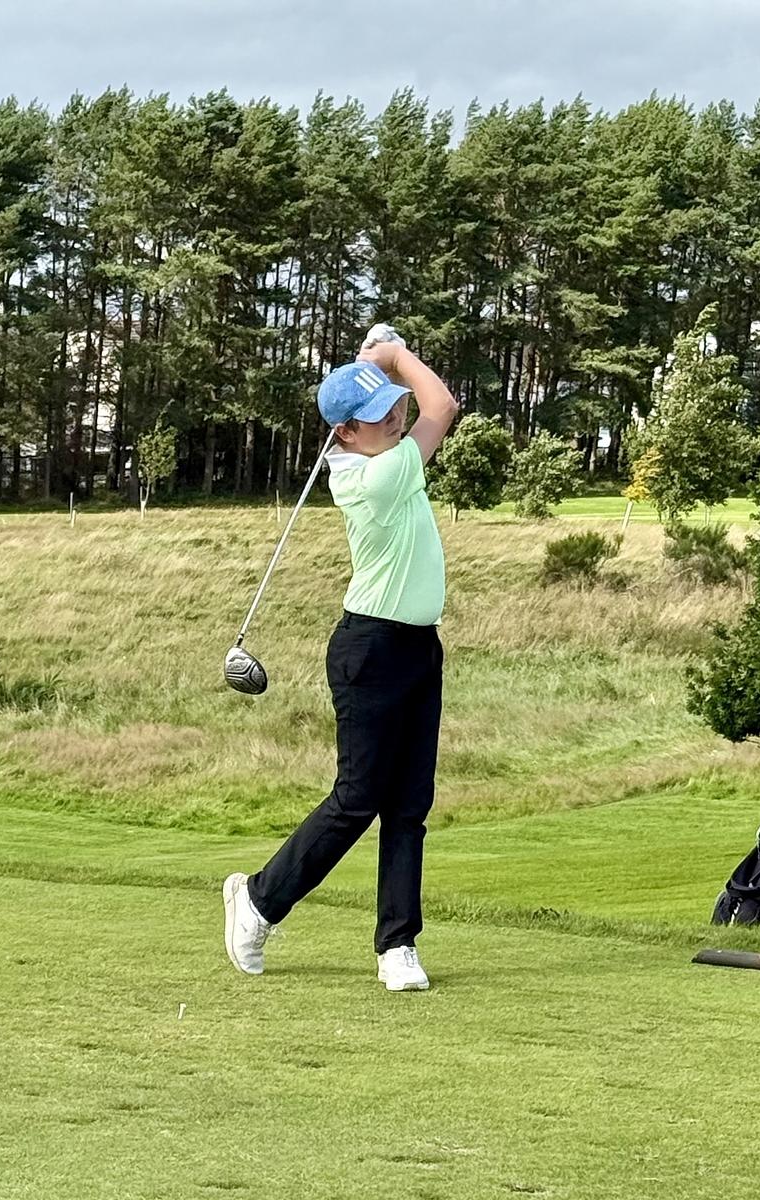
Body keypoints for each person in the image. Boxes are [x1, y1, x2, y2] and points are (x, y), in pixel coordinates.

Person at [223, 334, 458, 991]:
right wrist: (396, 352)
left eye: (393, 408)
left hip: (417, 646)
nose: (397, 416)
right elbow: (442, 404)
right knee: (359, 798)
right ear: (345, 435)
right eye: (381, 413)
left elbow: (418, 408)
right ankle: (259, 899)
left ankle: (397, 947)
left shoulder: (380, 456)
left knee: (410, 803)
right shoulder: (378, 475)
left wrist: (375, 367)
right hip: (371, 650)